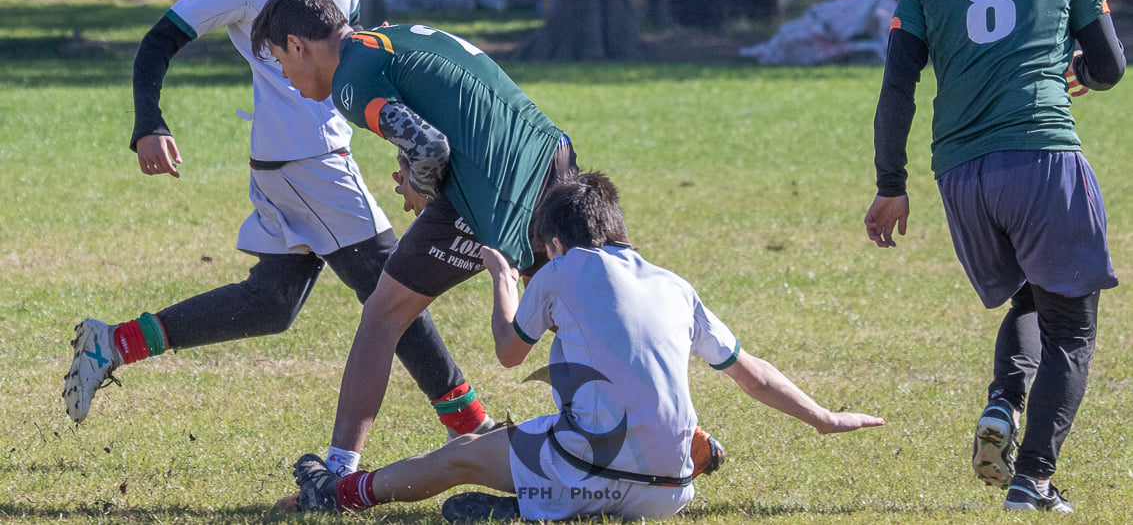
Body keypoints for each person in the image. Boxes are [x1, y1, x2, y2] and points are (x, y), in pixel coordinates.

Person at [63, 0, 495, 476]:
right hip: (305, 161)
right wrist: (148, 123)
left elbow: (349, 43)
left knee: (271, 303)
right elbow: (158, 41)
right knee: (394, 292)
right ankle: (474, 429)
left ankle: (113, 343)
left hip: (307, 157)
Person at [283, 172, 884, 519]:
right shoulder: (675, 286)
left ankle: (338, 493)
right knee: (548, 436)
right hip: (671, 493)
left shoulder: (560, 270)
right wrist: (824, 417)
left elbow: (509, 352)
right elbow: (753, 375)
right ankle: (547, 502)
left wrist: (503, 280)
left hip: (591, 469)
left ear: (553, 243)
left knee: (459, 454)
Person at [864, 0, 1125, 513]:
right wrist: (1078, 73)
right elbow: (1109, 67)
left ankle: (1003, 405)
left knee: (1032, 297)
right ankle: (1031, 480)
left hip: (961, 175)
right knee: (1072, 326)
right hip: (1040, 158)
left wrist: (890, 186)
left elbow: (897, 91)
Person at [249, 0, 580, 481]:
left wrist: (420, 186)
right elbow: (449, 113)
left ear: (297, 45)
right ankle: (665, 429)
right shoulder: (389, 38)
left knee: (383, 315)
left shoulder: (350, 80)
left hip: (497, 188)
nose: (287, 78)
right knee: (576, 313)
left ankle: (338, 474)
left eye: (280, 61)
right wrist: (419, 170)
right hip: (549, 154)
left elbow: (429, 146)